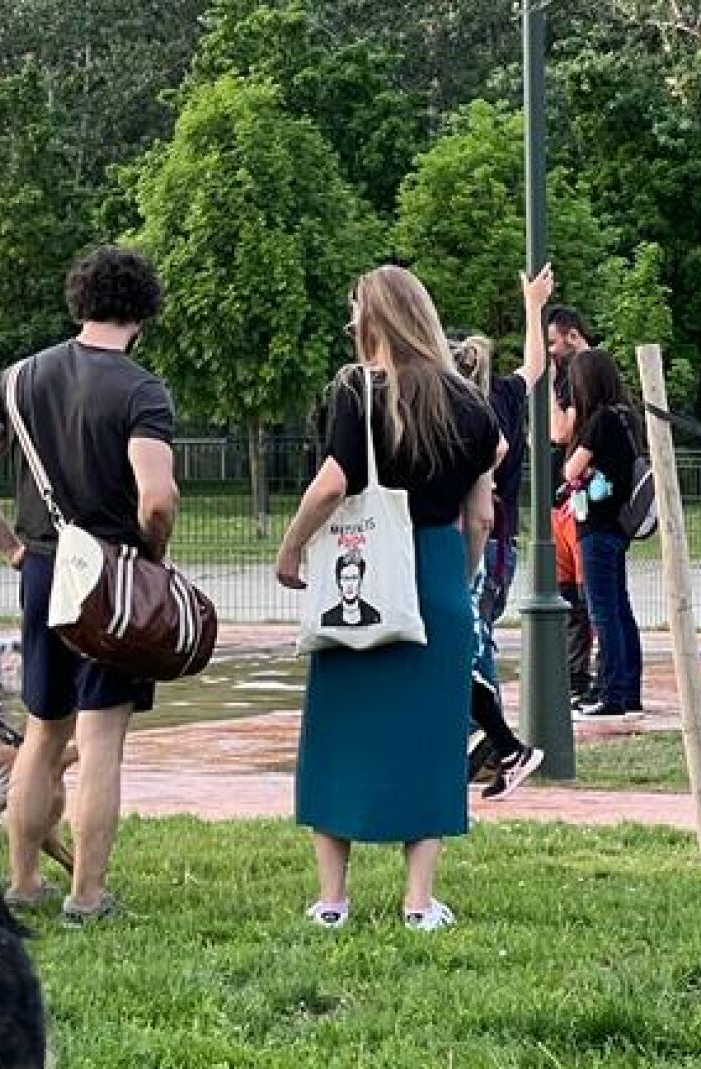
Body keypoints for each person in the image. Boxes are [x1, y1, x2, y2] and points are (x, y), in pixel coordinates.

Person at [0, 245, 178, 928]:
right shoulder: (141, 391)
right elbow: (157, 499)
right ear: (143, 311)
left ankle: (22, 883)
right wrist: (152, 557)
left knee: (43, 733)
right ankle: (87, 895)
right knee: (101, 740)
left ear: (79, 302)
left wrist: (11, 548)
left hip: (45, 569)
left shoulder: (18, 378)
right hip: (112, 576)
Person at [275, 265, 499, 933]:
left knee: (337, 733)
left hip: (364, 575)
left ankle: (332, 900)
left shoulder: (357, 390)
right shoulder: (470, 404)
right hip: (435, 576)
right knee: (431, 741)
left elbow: (331, 485)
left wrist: (291, 549)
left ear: (372, 319)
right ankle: (418, 901)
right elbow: (481, 517)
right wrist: (455, 581)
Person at [454, 266, 552, 798]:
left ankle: (491, 737)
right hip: (501, 541)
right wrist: (532, 306)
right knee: (476, 630)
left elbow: (494, 455)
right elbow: (535, 364)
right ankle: (487, 736)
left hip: (480, 537)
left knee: (473, 635)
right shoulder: (507, 395)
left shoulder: (467, 413)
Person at [563, 348, 646, 720]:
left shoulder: (600, 420)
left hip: (595, 525)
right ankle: (628, 691)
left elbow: (571, 470)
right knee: (620, 609)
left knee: (602, 612)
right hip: (619, 523)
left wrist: (577, 466)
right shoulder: (628, 417)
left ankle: (610, 692)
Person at [546, 306, 598, 701]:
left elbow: (561, 432)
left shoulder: (585, 377)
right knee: (567, 593)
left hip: (578, 498)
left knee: (586, 595)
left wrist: (547, 388)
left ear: (572, 335)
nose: (549, 351)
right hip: (559, 497)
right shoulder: (570, 376)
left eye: (552, 342)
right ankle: (574, 675)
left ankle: (593, 676)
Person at [318, 552, 382, 627]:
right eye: (345, 578)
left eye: (354, 578)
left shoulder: (373, 616)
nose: (349, 584)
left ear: (360, 581)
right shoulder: (328, 618)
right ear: (339, 582)